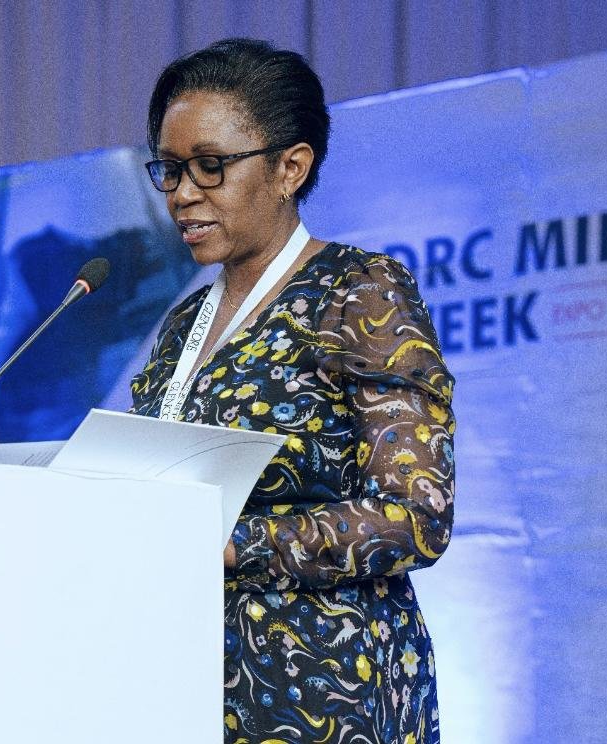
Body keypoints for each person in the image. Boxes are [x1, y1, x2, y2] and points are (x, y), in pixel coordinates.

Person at [129, 39, 455, 744]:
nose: (183, 193)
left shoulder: (358, 292)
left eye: (210, 166)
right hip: (180, 678)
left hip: (325, 687)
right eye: (170, 169)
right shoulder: (183, 323)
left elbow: (416, 515)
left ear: (290, 168)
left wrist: (234, 544)